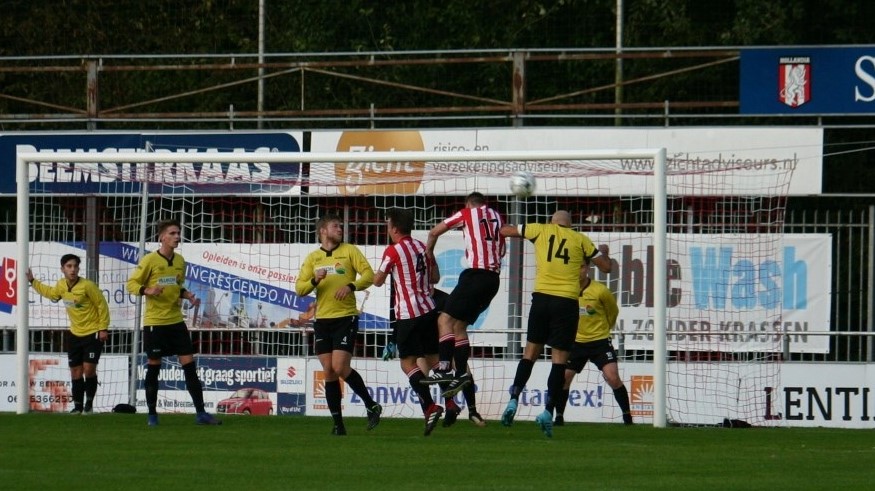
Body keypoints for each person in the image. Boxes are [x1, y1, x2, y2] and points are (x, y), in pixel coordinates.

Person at [499, 210, 611, 437]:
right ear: (570, 224)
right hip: (566, 303)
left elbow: (505, 230)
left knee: (529, 353)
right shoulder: (580, 239)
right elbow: (607, 267)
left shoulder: (540, 229)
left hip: (541, 299)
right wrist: (597, 255)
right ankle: (548, 411)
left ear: (552, 221)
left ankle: (513, 400)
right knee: (559, 361)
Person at [126, 219, 221, 426]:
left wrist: (188, 295)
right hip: (155, 323)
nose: (177, 236)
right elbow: (131, 284)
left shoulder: (180, 261)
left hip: (176, 321)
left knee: (189, 365)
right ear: (162, 237)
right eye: (172, 233)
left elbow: (177, 286)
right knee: (154, 365)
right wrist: (147, 290)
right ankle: (152, 414)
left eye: (178, 233)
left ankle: (201, 413)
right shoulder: (150, 260)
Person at [295, 212, 381, 436]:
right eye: (335, 226)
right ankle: (338, 424)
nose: (339, 229)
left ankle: (371, 405)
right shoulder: (313, 258)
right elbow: (300, 288)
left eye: (340, 226)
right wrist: (315, 280)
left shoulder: (349, 250)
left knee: (340, 367)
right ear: (323, 231)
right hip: (323, 320)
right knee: (329, 371)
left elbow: (369, 276)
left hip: (345, 317)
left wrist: (351, 286)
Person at [421, 192, 506, 400]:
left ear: (469, 203)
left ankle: (444, 368)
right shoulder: (497, 216)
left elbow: (434, 232)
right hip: (493, 280)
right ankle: (461, 374)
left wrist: (429, 253)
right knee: (459, 326)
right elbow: (501, 250)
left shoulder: (466, 213)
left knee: (444, 319)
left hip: (475, 274)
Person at [373, 208, 445, 435]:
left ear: (394, 228)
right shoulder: (422, 247)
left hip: (409, 314)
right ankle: (450, 395)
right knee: (433, 359)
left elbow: (377, 281)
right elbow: (435, 278)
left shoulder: (393, 251)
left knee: (407, 363)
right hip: (429, 310)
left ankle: (430, 405)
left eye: (388, 225)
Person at [27, 254, 110, 414]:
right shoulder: (61, 285)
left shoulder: (87, 286)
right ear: (62, 269)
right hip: (74, 334)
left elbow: (102, 305)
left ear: (78, 268)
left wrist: (103, 328)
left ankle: (89, 404)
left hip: (92, 333)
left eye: (75, 266)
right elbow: (51, 293)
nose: (72, 270)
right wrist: (33, 282)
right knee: (75, 371)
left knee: (89, 369)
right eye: (69, 266)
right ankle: (78, 406)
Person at [551, 266, 632, 425]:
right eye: (576, 266)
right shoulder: (567, 290)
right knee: (564, 378)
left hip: (600, 342)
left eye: (581, 267)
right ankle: (559, 417)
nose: (578, 270)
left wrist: (603, 329)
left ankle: (627, 417)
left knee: (612, 377)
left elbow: (613, 312)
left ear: (587, 268)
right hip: (576, 343)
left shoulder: (600, 291)